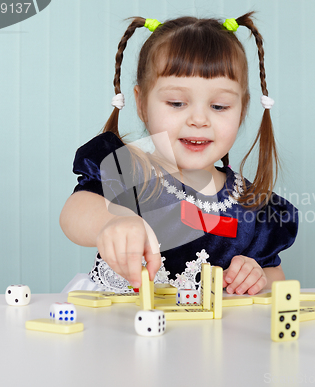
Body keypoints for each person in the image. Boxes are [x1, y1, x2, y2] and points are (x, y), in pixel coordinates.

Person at [59, 12, 299, 295]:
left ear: (242, 109)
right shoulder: (130, 169)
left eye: (219, 106)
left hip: (212, 337)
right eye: (176, 103)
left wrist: (257, 277)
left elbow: (276, 277)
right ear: (141, 103)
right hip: (123, 330)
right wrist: (112, 221)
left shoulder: (253, 207)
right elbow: (74, 213)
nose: (199, 119)